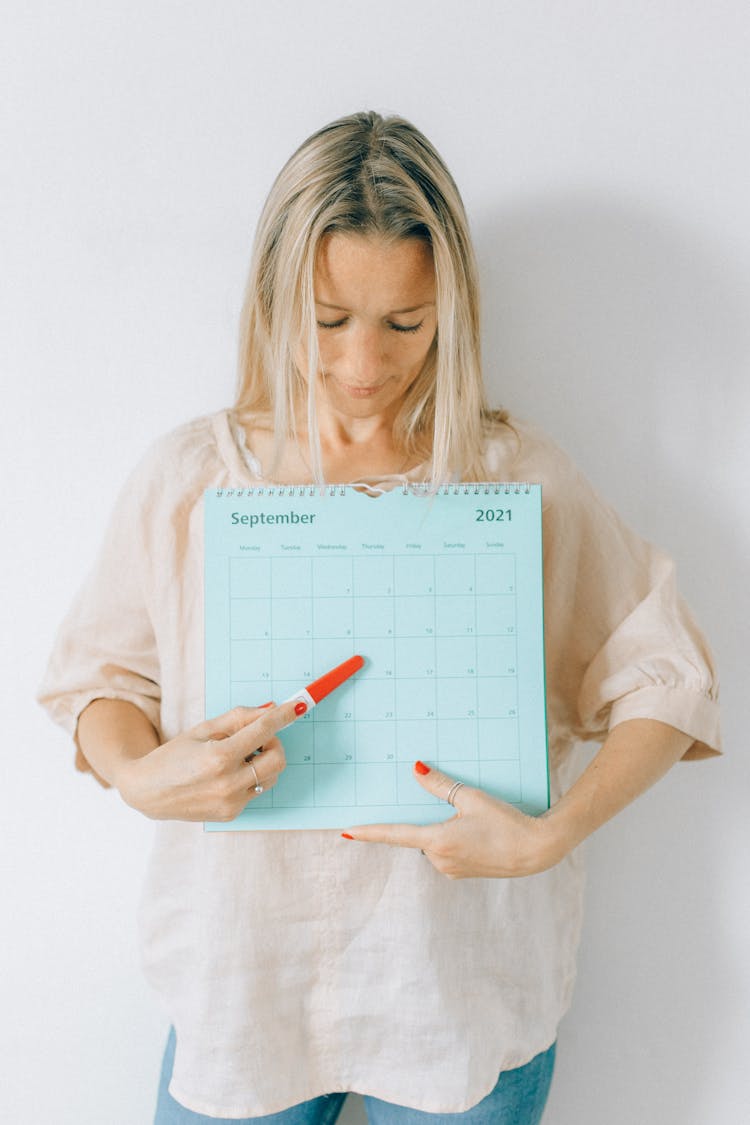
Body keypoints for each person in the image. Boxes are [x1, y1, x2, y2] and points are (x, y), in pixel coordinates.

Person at [37, 111, 720, 1125]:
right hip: (244, 983)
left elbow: (666, 676)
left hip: (457, 992)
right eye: (326, 319)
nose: (363, 365)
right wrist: (142, 773)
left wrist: (549, 837)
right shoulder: (193, 476)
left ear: (454, 308)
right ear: (272, 299)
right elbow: (98, 679)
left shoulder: (513, 476)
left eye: (405, 323)